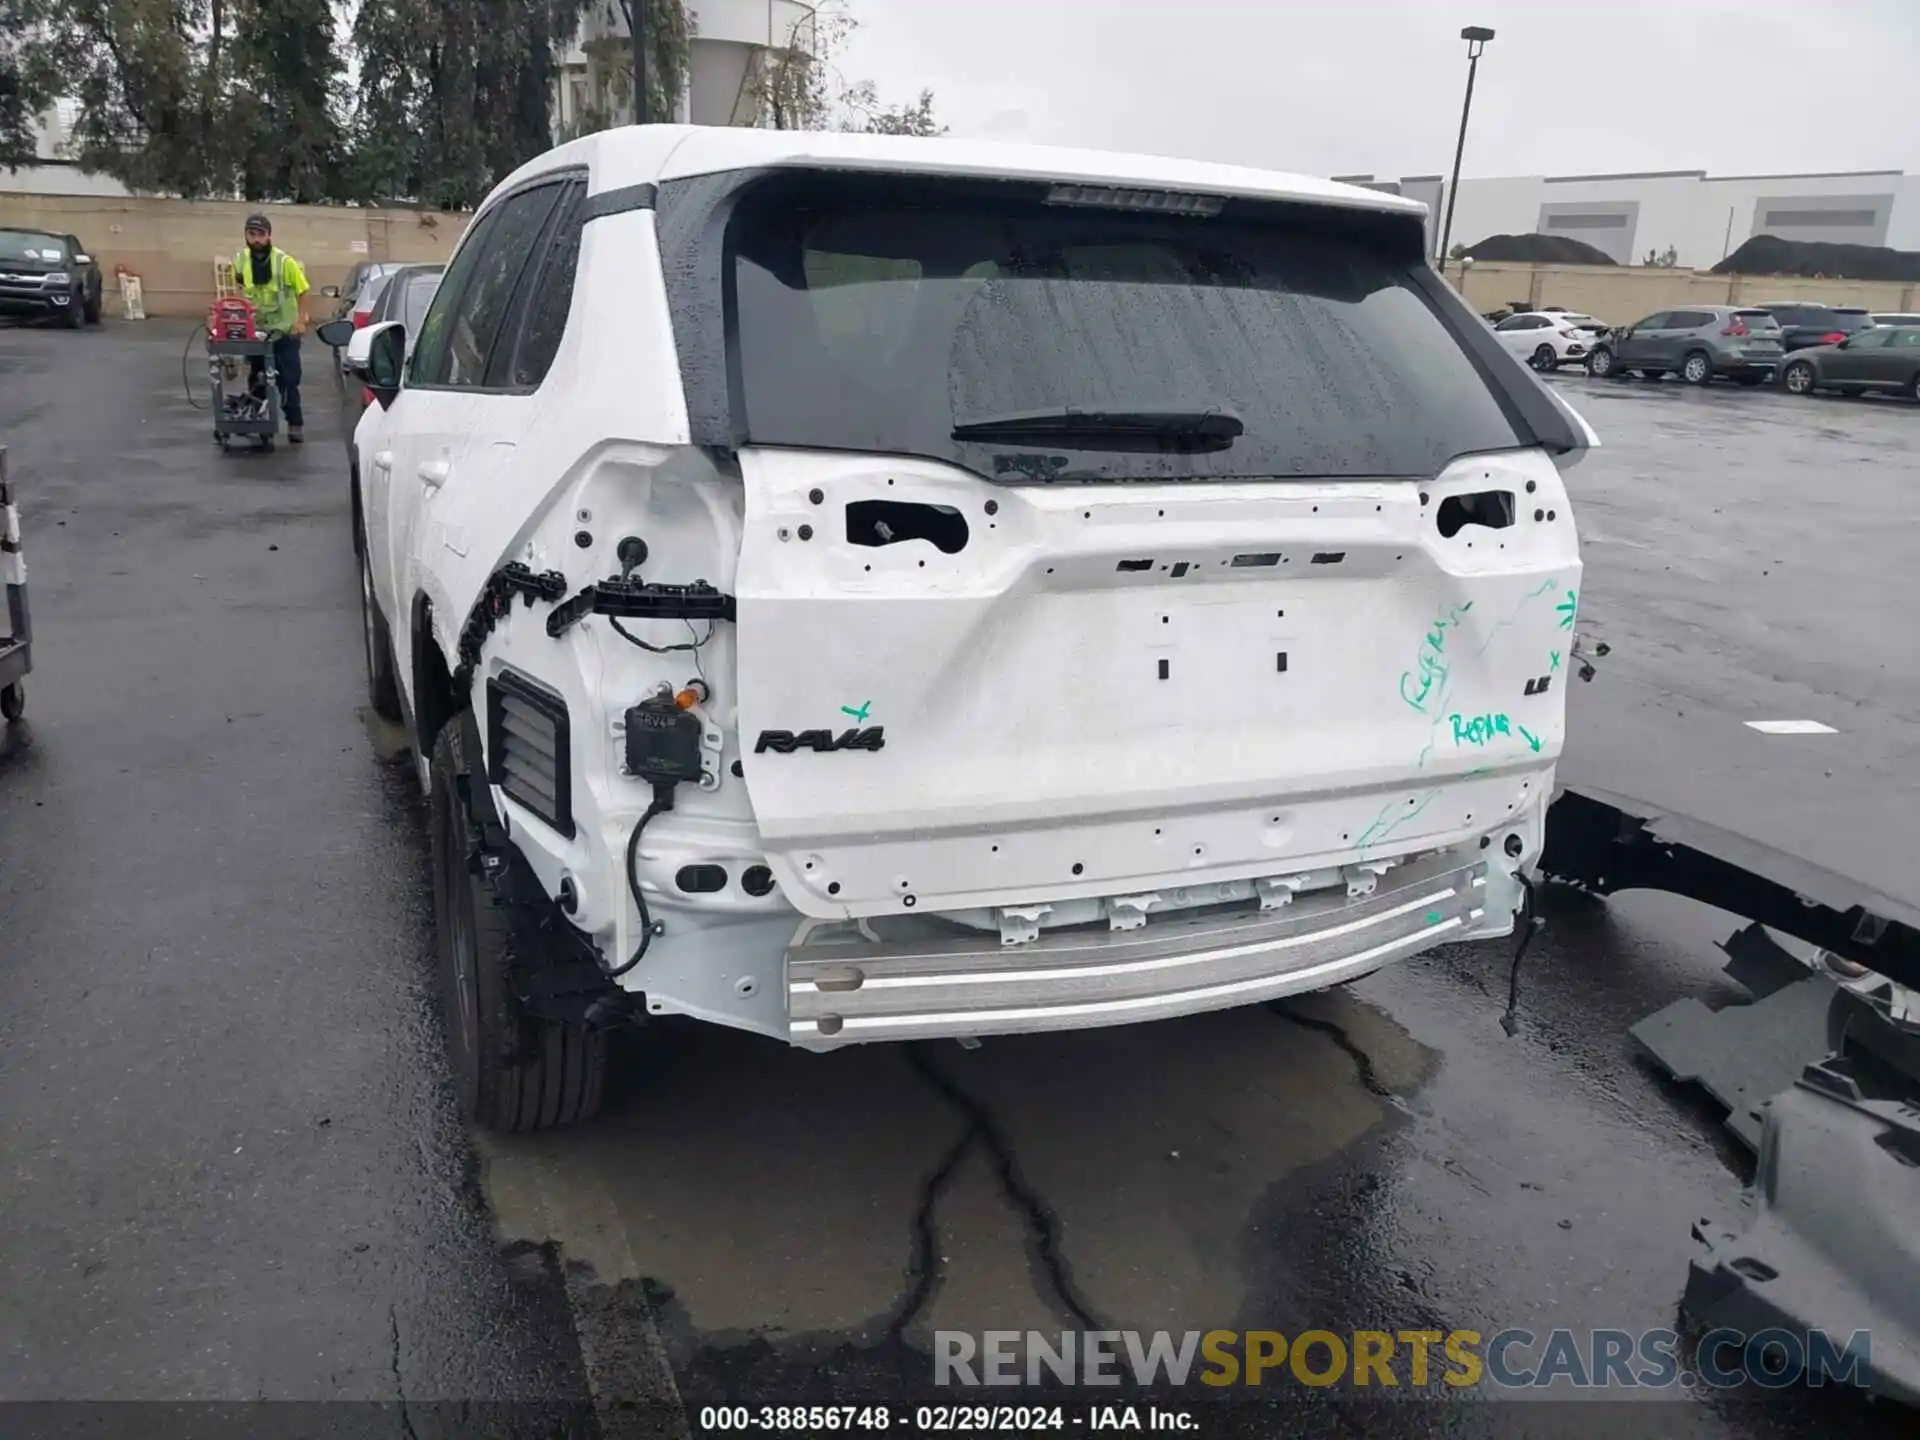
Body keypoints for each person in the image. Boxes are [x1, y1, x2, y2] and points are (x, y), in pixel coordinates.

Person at [233, 214, 313, 443]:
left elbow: (303, 290)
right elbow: (240, 289)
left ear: (269, 236)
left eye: (261, 234)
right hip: (257, 331)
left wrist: (300, 321)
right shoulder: (240, 261)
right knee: (257, 378)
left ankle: (295, 424)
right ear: (246, 236)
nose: (256, 239)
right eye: (252, 234)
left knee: (288, 379)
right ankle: (260, 421)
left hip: (284, 331)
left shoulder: (284, 262)